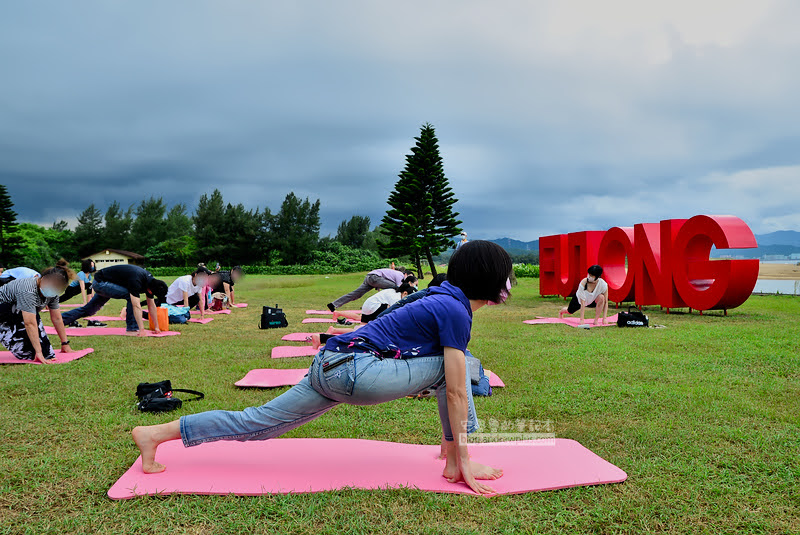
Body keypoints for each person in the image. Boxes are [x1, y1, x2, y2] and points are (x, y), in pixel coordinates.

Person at [131, 240, 513, 495]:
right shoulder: (454, 309)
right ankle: (455, 460)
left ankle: (155, 434)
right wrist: (464, 460)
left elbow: (387, 328)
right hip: (353, 371)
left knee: (256, 424)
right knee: (458, 371)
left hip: (331, 365)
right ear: (491, 279)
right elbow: (457, 390)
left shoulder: (439, 295)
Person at [60, 264, 168, 335]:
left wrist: (156, 327)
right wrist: (142, 330)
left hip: (108, 283)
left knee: (90, 310)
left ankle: (61, 319)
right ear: (150, 291)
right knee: (130, 296)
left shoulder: (152, 282)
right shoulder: (136, 280)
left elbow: (151, 305)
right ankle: (132, 329)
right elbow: (136, 305)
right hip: (100, 283)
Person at [0, 265, 76, 363]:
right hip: (4, 313)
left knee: (48, 354)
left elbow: (57, 318)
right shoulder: (28, 290)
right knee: (30, 354)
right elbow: (30, 323)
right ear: (43, 279)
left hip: (17, 313)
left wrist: (65, 343)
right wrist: (38, 352)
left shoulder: (53, 293)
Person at [326, 268, 417, 312]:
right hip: (374, 278)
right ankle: (378, 303)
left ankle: (334, 304)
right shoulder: (400, 275)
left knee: (356, 294)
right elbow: (399, 288)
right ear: (406, 274)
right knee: (395, 288)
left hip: (370, 277)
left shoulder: (399, 276)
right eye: (410, 277)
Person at [333, 283, 414, 324]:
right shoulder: (396, 297)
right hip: (373, 307)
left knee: (361, 325)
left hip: (368, 306)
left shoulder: (394, 291)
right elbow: (395, 313)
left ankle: (336, 321)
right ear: (405, 293)